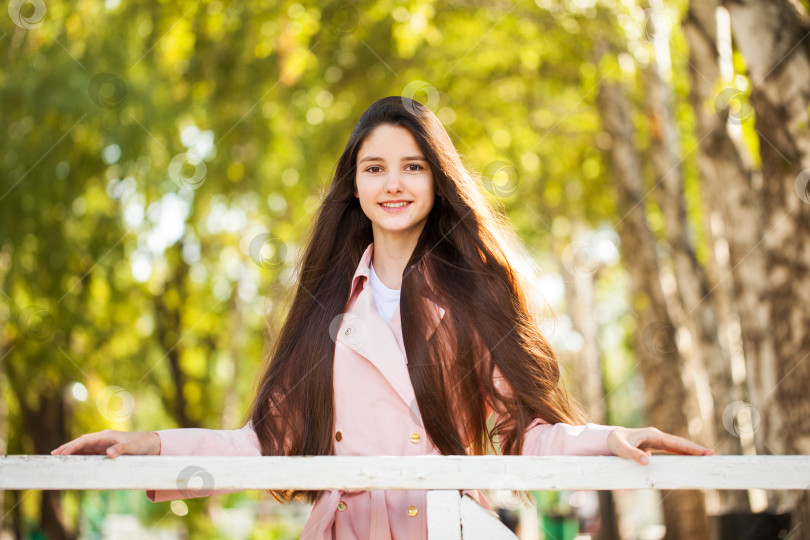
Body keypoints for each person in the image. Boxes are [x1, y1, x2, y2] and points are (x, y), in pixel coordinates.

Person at [52, 96, 713, 539]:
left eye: (412, 167)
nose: (392, 183)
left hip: (444, 525)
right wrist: (150, 446)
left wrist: (607, 440)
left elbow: (523, 429)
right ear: (356, 185)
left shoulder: (477, 292)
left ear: (435, 180)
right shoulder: (324, 305)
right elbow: (262, 445)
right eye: (375, 168)